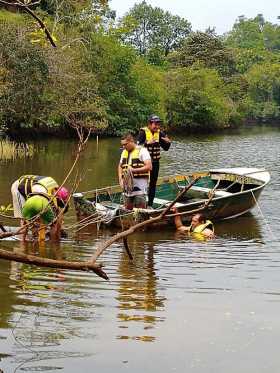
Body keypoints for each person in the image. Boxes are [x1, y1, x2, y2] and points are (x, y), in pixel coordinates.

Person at [11, 175, 69, 241]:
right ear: (57, 196)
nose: (58, 203)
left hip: (33, 191)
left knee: (35, 215)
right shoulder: (51, 194)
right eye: (59, 202)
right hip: (18, 187)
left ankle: (33, 237)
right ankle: (22, 238)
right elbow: (48, 212)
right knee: (24, 219)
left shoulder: (53, 186)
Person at [137, 114, 171, 208]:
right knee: (142, 183)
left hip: (155, 163)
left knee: (153, 184)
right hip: (143, 164)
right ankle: (140, 203)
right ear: (149, 124)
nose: (157, 126)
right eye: (155, 124)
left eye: (158, 124)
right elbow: (137, 148)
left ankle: (150, 204)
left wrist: (168, 142)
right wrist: (147, 143)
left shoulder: (160, 133)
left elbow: (166, 148)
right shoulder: (143, 133)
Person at [118, 134, 152, 210]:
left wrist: (134, 170)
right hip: (127, 188)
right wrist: (120, 179)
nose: (123, 146)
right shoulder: (124, 152)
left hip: (140, 188)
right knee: (127, 209)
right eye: (122, 145)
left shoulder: (142, 151)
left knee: (141, 210)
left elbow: (149, 166)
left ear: (131, 141)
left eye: (125, 144)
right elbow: (120, 166)